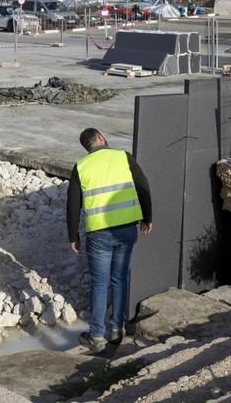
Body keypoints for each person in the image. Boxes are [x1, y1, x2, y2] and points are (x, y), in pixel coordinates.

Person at [67, 127, 152, 354]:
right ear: (101, 139)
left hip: (98, 234)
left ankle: (96, 335)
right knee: (120, 279)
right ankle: (116, 329)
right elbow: (143, 186)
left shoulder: (81, 167)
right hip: (126, 229)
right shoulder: (123, 157)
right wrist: (147, 217)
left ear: (87, 147)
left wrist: (73, 235)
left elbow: (73, 205)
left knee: (99, 283)